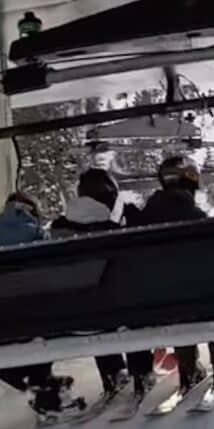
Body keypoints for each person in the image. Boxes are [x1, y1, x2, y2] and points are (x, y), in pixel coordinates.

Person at [49, 168, 157, 399]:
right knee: (128, 300)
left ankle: (112, 372)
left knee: (93, 301)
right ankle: (142, 371)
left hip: (76, 312)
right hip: (122, 307)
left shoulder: (60, 228)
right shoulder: (120, 222)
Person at [136, 156, 214, 393]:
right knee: (213, 293)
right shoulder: (196, 219)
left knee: (178, 299)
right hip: (200, 297)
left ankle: (188, 369)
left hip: (157, 299)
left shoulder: (144, 218)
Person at [0, 192, 83, 420]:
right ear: (32, 211)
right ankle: (42, 387)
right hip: (35, 320)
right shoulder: (39, 235)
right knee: (42, 320)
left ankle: (24, 376)